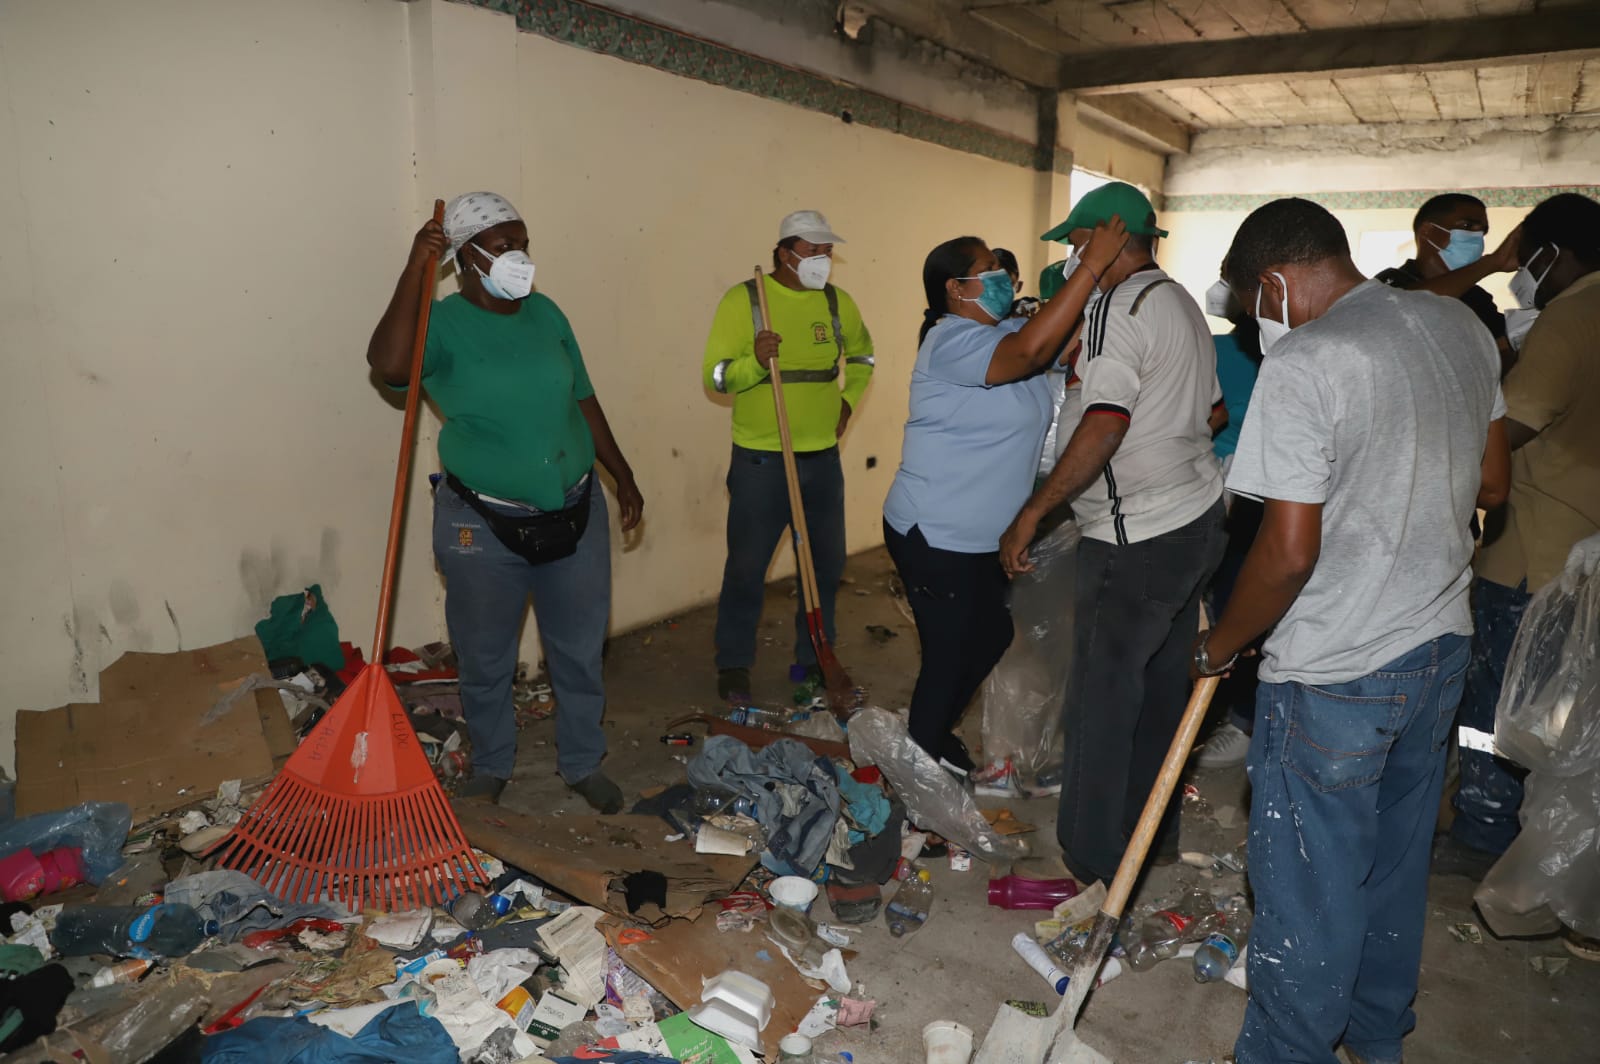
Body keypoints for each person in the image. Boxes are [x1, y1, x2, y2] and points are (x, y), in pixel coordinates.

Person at [1205, 198, 1509, 1064]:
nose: (1254, 327)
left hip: (1337, 666)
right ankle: (1376, 1039)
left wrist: (1223, 643)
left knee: (1306, 888)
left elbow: (1287, 552)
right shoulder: (1457, 327)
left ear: (1272, 283)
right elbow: (1493, 483)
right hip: (1441, 643)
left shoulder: (1309, 360)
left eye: (1250, 307)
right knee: (1392, 867)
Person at [366, 192, 642, 811]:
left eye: (523, 240)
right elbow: (386, 365)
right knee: (486, 655)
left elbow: (583, 399)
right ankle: (491, 764)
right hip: (483, 523)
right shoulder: (439, 325)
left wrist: (621, 472)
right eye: (503, 243)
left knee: (578, 648)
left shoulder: (547, 314)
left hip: (576, 506)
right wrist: (415, 268)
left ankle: (581, 762)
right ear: (464, 257)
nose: (518, 253)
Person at [999, 182, 1228, 885]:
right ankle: (1145, 840)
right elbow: (1213, 413)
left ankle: (1095, 862)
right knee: (1156, 690)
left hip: (1135, 539)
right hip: (1193, 520)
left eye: (1076, 241)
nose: (1071, 254)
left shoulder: (1115, 308)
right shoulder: (1178, 301)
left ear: (1107, 236)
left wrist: (1035, 511)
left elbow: (1104, 423)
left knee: (1101, 699)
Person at [883, 220, 1128, 772]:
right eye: (988, 269)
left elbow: (1053, 344)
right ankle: (918, 772)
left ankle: (931, 734)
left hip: (983, 537)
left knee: (989, 633)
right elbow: (1028, 354)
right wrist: (1089, 269)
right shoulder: (950, 341)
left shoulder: (1000, 336)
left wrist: (1090, 283)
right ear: (956, 288)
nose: (1001, 277)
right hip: (934, 532)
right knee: (947, 657)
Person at [1437, 194, 1600, 931]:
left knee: (1493, 708)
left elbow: (1514, 431)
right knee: (1553, 708)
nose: (1514, 270)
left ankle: (1481, 832)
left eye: (1522, 255)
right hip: (1581, 542)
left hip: (1529, 552)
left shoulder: (1569, 319)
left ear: (1552, 256)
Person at [703, 211, 874, 704]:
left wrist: (847, 400)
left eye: (826, 251)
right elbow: (714, 376)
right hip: (761, 458)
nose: (821, 260)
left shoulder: (837, 303)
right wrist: (754, 361)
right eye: (811, 251)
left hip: (821, 457)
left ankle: (815, 657)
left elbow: (863, 356)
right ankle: (733, 662)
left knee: (824, 564)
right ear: (784, 253)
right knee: (747, 567)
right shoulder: (746, 302)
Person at [1193, 278, 1264, 770]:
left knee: (1252, 601)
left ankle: (1244, 718)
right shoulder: (1210, 349)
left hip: (1263, 498)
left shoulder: (1290, 352)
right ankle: (1214, 710)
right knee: (1212, 605)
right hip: (1206, 492)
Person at [1375, 192, 1520, 372]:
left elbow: (1502, 354)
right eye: (1467, 226)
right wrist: (1492, 262)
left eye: (1482, 231)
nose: (1477, 238)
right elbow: (1412, 304)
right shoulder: (1390, 284)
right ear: (1427, 231)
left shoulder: (1477, 297)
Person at [992, 247, 1040, 318]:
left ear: (1019, 286)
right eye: (994, 282)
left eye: (1007, 283)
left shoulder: (1023, 310)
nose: (999, 288)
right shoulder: (973, 318)